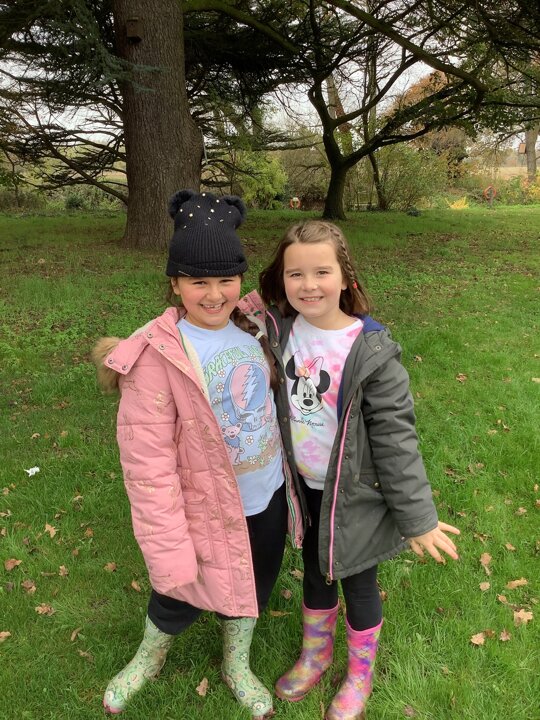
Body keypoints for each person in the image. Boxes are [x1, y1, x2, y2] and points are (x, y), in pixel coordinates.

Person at [92, 189, 302, 719]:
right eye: (197, 282)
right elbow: (148, 466)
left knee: (253, 582)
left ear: (241, 280)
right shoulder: (156, 356)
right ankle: (149, 656)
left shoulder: (255, 327)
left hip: (266, 496)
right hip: (200, 506)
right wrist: (167, 546)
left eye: (226, 279)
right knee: (177, 593)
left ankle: (237, 664)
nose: (214, 294)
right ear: (175, 283)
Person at [254, 220, 460, 720]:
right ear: (281, 279)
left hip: (356, 494)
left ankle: (359, 674)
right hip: (303, 488)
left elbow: (396, 440)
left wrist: (419, 519)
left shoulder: (369, 350)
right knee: (315, 571)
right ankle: (316, 654)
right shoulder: (278, 329)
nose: (308, 285)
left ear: (345, 277)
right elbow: (207, 307)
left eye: (321, 272)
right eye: (295, 274)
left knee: (358, 581)